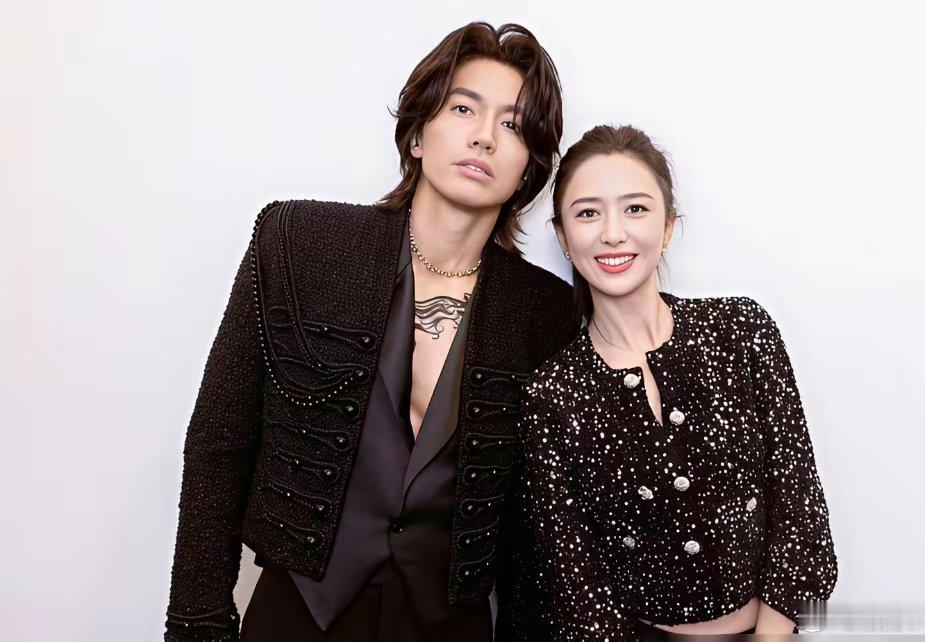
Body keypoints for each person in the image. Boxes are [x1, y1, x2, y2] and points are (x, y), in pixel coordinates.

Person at [163, 22, 579, 642]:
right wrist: (197, 626)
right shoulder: (300, 242)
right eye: (463, 108)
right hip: (297, 615)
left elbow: (538, 521)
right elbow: (219, 443)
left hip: (450, 627)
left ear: (528, 170)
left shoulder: (546, 310)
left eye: (514, 125)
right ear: (417, 134)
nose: (485, 136)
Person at [514, 124, 838, 641]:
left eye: (635, 209)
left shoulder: (740, 330)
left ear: (668, 226)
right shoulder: (550, 395)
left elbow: (798, 506)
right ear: (562, 237)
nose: (612, 233)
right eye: (588, 213)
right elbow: (576, 585)